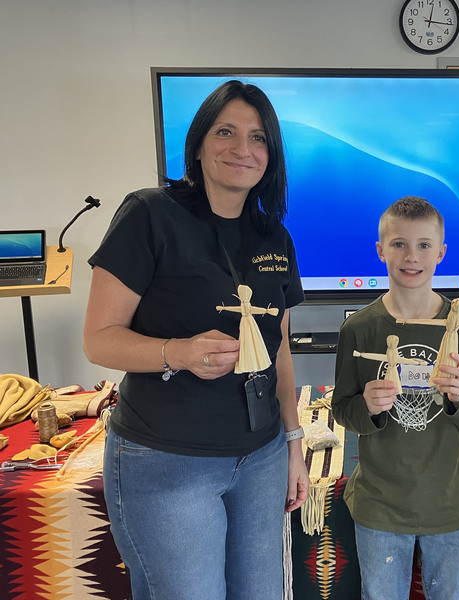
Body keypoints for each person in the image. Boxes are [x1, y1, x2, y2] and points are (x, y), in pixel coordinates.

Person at [83, 80, 309, 600]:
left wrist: (294, 445)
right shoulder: (149, 215)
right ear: (199, 142)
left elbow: (279, 350)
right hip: (167, 460)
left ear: (270, 154)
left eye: (257, 137)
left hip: (261, 455)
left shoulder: (274, 235)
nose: (242, 149)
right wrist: (177, 353)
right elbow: (99, 340)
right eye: (225, 131)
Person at [331, 196, 459, 600]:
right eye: (399, 243)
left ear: (440, 252)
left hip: (447, 503)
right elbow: (342, 411)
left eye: (424, 245)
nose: (411, 256)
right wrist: (367, 406)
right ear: (380, 250)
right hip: (381, 506)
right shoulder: (358, 328)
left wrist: (458, 398)